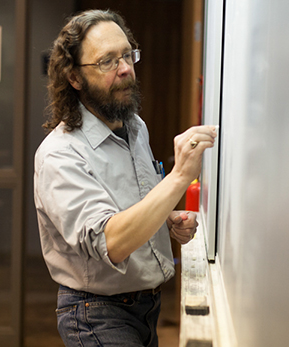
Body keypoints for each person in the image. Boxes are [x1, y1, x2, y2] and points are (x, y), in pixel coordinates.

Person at [34, 9, 217, 347]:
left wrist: (165, 219)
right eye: (107, 61)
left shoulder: (134, 127)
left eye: (127, 55)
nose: (125, 69)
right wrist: (179, 177)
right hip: (96, 313)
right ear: (74, 78)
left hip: (147, 308)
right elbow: (112, 242)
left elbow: (131, 207)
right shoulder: (59, 155)